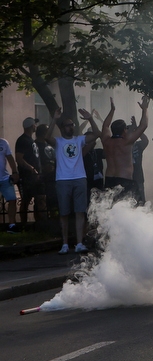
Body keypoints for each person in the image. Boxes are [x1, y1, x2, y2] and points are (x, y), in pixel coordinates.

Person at [45, 108, 100, 254]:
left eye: (72, 125)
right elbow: (47, 137)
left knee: (79, 212)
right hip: (63, 179)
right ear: (63, 128)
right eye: (68, 125)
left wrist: (90, 119)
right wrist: (54, 120)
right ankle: (64, 244)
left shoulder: (79, 140)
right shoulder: (58, 141)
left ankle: (79, 243)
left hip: (79, 178)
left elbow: (96, 134)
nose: (71, 127)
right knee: (64, 213)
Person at [100, 97, 150, 201]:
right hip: (124, 180)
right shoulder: (127, 142)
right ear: (124, 130)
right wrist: (144, 109)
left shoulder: (106, 141)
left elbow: (105, 126)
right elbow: (144, 125)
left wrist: (112, 110)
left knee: (110, 208)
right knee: (128, 209)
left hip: (109, 179)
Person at [15, 117, 46, 226]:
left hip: (37, 177)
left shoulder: (31, 140)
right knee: (26, 201)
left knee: (40, 199)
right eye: (35, 124)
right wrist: (31, 168)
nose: (36, 126)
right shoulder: (22, 140)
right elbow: (19, 158)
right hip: (27, 177)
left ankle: (40, 225)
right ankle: (23, 225)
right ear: (32, 126)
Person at [0, 138, 20, 228]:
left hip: (4, 177)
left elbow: (10, 158)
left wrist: (15, 172)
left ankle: (12, 224)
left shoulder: (4, 142)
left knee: (12, 199)